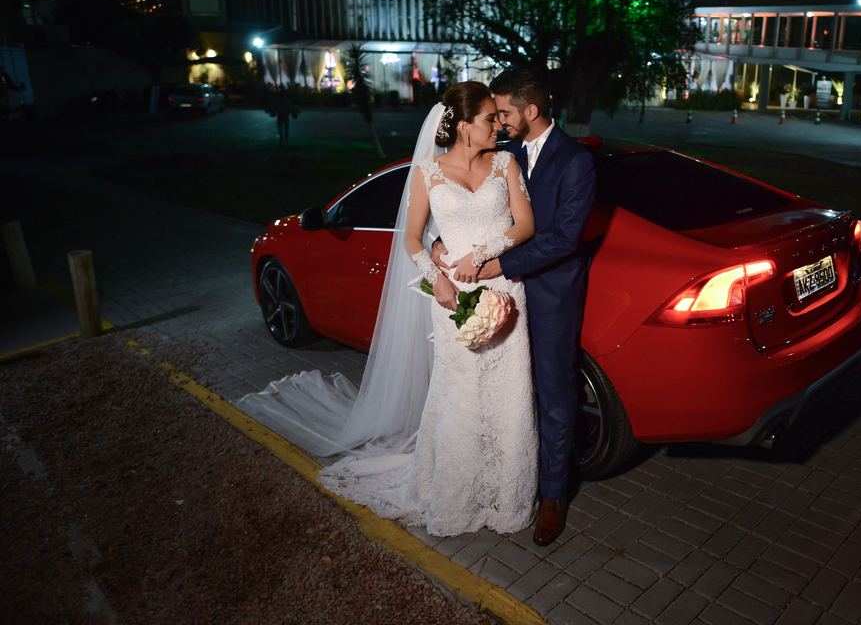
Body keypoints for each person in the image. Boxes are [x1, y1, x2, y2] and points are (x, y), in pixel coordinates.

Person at [239, 82, 539, 537]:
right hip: (454, 297)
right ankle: (456, 497)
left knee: (510, 395)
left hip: (505, 290)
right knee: (460, 399)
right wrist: (437, 276)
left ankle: (508, 498)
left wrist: (483, 254)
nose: (499, 124)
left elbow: (526, 224)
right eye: (489, 118)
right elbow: (412, 239)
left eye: (499, 118)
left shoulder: (506, 163)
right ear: (463, 126)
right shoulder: (427, 174)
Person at [435, 68, 595, 545]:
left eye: (504, 112)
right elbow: (476, 206)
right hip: (501, 286)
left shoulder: (576, 161)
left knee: (553, 390)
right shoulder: (502, 153)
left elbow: (565, 238)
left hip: (547, 293)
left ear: (531, 111)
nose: (498, 120)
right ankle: (498, 481)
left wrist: (494, 266)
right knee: (503, 391)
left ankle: (552, 495)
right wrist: (448, 241)